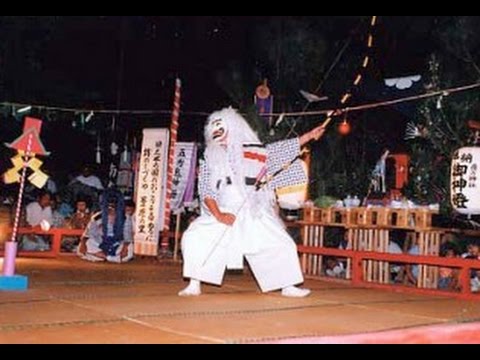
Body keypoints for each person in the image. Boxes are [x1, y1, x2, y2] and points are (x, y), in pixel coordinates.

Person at [179, 108, 326, 298]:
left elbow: (280, 150)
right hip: (224, 209)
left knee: (281, 242)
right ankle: (194, 283)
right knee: (195, 237)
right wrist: (219, 215)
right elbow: (206, 190)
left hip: (254, 209)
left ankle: (287, 285)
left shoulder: (255, 151)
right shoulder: (209, 158)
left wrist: (309, 136)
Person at [78, 190, 133, 263]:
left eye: (113, 206)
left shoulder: (125, 217)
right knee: (86, 245)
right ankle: (109, 258)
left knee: (130, 249)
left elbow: (127, 236)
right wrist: (83, 244)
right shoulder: (97, 217)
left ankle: (103, 257)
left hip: (118, 243)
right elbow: (88, 234)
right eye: (109, 205)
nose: (111, 208)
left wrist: (125, 248)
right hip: (100, 242)